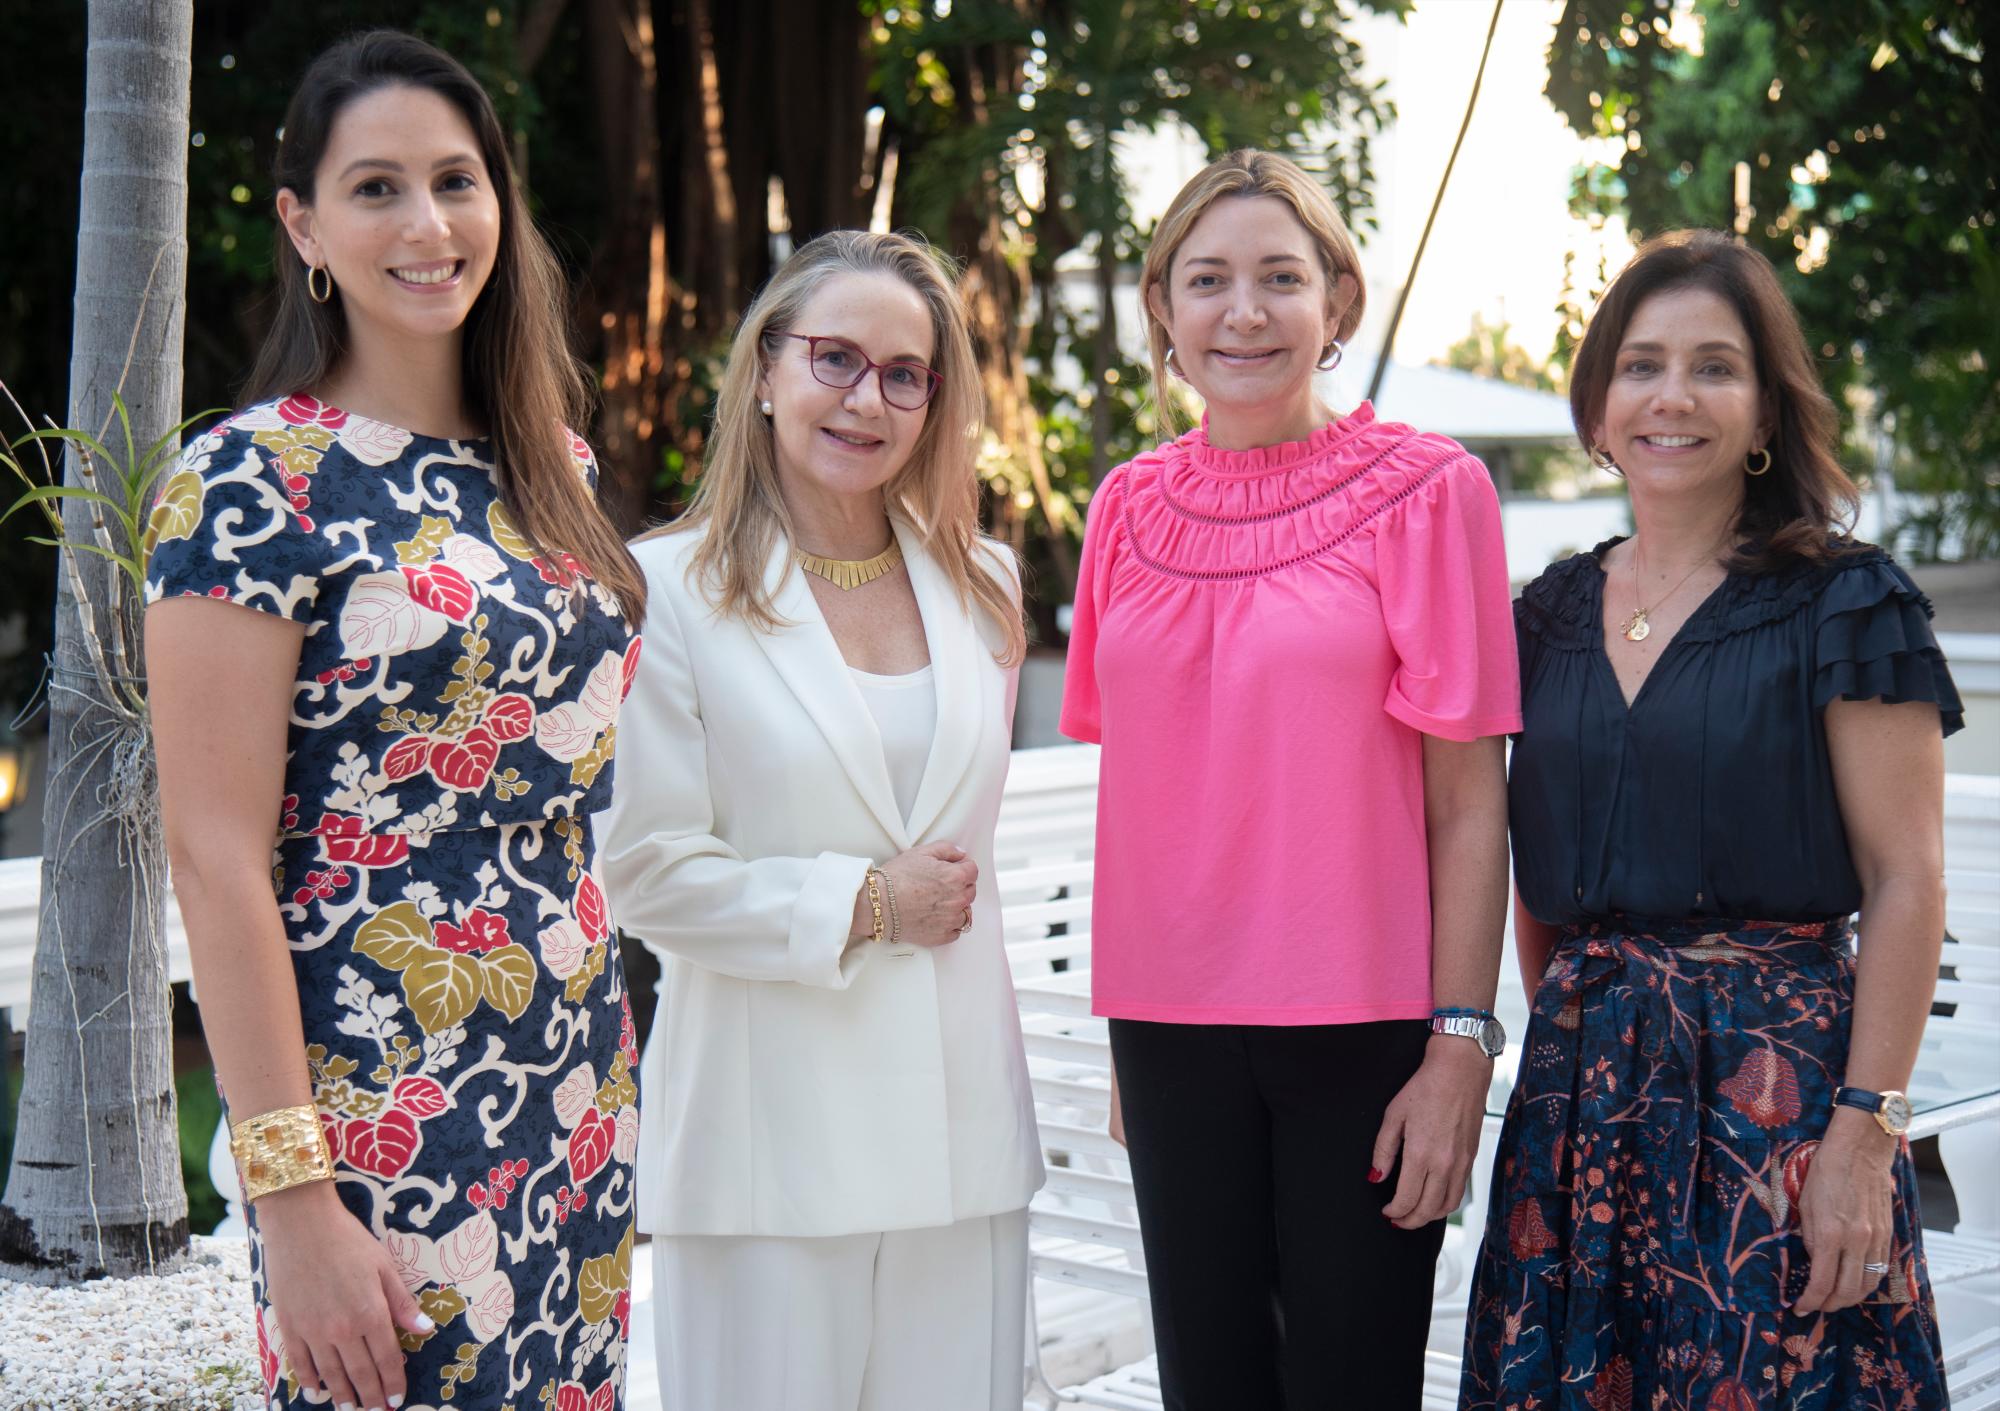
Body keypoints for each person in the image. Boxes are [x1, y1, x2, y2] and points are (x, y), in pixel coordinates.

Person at [145, 32, 644, 1411]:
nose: (428, 224)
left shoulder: (552, 468)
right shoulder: (247, 484)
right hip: (379, 1107)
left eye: (455, 180)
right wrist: (292, 1199)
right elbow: (214, 857)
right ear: (304, 225)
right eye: (377, 188)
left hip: (574, 1082)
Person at [1459, 229, 1960, 1409]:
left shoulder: (1845, 599)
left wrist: (1865, 1131)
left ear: (1764, 409)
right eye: (1639, 365)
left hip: (1781, 1101)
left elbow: (1906, 879)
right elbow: (1534, 875)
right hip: (1581, 1101)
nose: (1670, 396)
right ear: (1596, 404)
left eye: (1713, 367)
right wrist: (1588, 1038)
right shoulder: (1543, 617)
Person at [1059, 149, 1521, 1409]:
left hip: (1364, 1031)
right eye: (1206, 280)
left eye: (1278, 277)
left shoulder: (1430, 492)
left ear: (1337, 301)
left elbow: (1466, 801)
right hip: (1167, 1031)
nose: (1243, 312)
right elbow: (1143, 788)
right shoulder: (1123, 507)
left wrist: (1459, 1046)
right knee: (1208, 1383)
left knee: (1349, 1383)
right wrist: (1133, 1043)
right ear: (1163, 309)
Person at [598, 228, 1042, 1411]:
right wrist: (865, 903)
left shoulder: (986, 585)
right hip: (768, 1146)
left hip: (961, 1141)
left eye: (904, 374)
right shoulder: (664, 589)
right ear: (765, 370)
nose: (866, 399)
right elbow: (642, 870)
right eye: (834, 359)